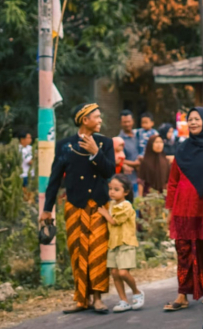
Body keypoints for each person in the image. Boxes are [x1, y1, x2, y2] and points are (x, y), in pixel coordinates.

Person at [40, 103, 115, 314]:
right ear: (85, 120)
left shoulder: (105, 143)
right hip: (74, 205)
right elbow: (55, 179)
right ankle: (82, 299)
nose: (100, 120)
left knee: (98, 252)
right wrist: (47, 209)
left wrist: (95, 152)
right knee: (78, 252)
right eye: (97, 117)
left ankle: (98, 298)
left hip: (99, 206)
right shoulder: (65, 145)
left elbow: (109, 171)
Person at [163, 107, 203, 311]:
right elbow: (173, 181)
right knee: (183, 250)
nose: (193, 123)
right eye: (190, 120)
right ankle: (182, 295)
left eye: (197, 119)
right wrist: (169, 207)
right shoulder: (182, 148)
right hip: (183, 207)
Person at [97, 174, 144, 313]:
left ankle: (137, 292)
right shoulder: (112, 204)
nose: (112, 192)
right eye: (110, 188)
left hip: (125, 242)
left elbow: (114, 221)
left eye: (116, 189)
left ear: (126, 192)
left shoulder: (126, 206)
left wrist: (105, 214)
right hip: (113, 243)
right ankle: (123, 300)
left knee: (123, 273)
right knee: (115, 273)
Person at [118, 110, 141, 196]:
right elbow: (118, 159)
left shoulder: (140, 135)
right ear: (120, 123)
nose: (127, 124)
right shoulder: (119, 140)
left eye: (129, 121)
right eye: (124, 122)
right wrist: (135, 164)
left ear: (133, 121)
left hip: (144, 178)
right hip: (131, 179)